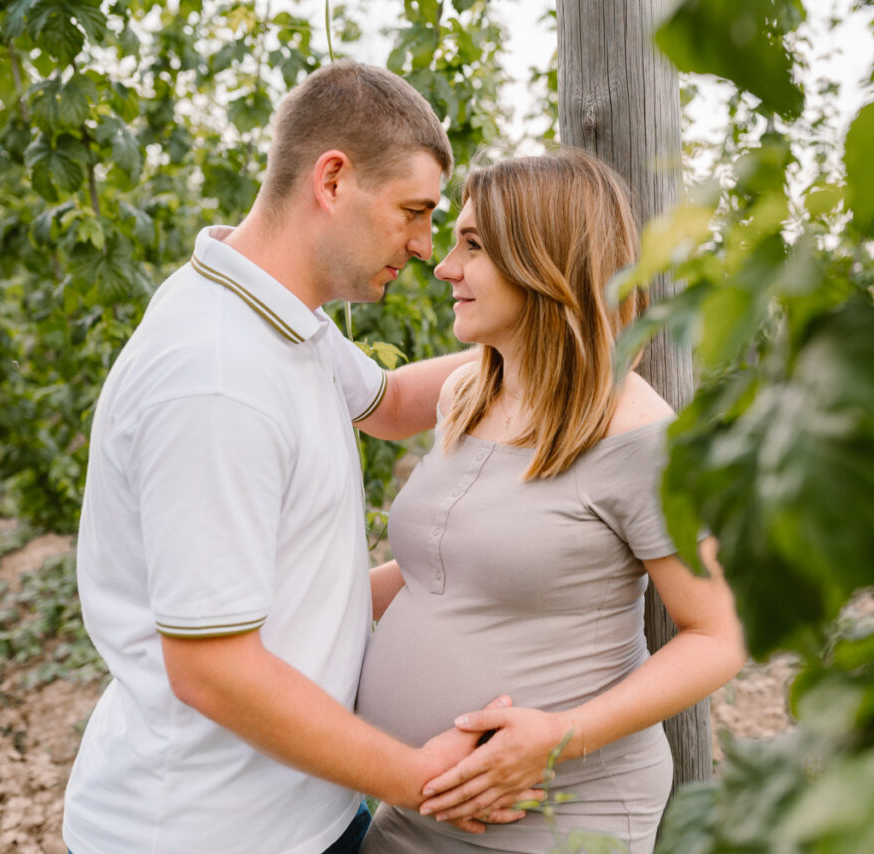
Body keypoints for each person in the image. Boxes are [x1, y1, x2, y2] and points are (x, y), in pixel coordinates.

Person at [62, 60, 522, 854]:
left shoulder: (278, 314)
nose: (424, 247)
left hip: (298, 811)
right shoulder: (217, 377)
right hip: (208, 836)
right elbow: (214, 670)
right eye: (413, 212)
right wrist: (420, 779)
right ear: (333, 180)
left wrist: (546, 343)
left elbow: (392, 405)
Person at [355, 149, 748, 853]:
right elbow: (437, 565)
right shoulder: (469, 391)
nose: (444, 267)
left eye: (473, 246)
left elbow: (718, 636)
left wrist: (560, 736)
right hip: (416, 802)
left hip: (555, 814)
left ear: (544, 262)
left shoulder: (639, 437)